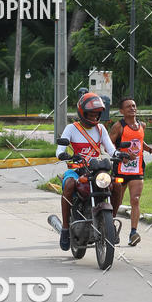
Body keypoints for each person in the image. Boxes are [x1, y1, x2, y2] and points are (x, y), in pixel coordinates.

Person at [57, 92, 118, 251]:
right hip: (76, 170)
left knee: (117, 184)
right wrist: (64, 155)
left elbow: (111, 149)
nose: (93, 117)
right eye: (90, 113)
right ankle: (65, 228)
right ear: (82, 113)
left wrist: (119, 154)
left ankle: (111, 222)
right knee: (69, 185)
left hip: (96, 171)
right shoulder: (71, 128)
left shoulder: (101, 129)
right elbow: (59, 150)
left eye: (96, 114)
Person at [109, 97, 152, 246]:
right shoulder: (118, 127)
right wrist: (121, 155)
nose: (132, 108)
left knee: (135, 200)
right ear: (121, 111)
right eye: (128, 106)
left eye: (133, 106)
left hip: (137, 169)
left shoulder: (141, 125)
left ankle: (133, 233)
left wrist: (151, 150)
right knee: (117, 201)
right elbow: (109, 144)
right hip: (120, 169)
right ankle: (110, 226)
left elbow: (140, 141)